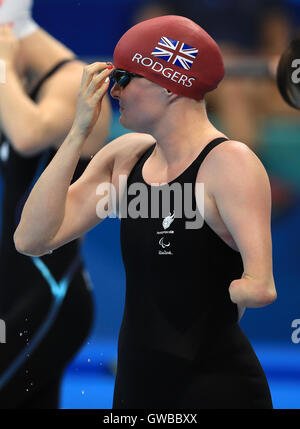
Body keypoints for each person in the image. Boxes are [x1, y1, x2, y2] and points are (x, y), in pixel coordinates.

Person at [15, 15, 277, 409]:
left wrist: (230, 292)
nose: (112, 91)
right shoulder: (126, 159)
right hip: (137, 388)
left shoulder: (229, 164)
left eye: (122, 77)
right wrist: (77, 134)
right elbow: (32, 239)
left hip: (216, 388)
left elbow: (261, 285)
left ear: (169, 86)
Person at [0, 0, 111, 409]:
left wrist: (0, 66)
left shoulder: (72, 82)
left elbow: (29, 135)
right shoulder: (14, 81)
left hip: (48, 294)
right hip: (11, 290)